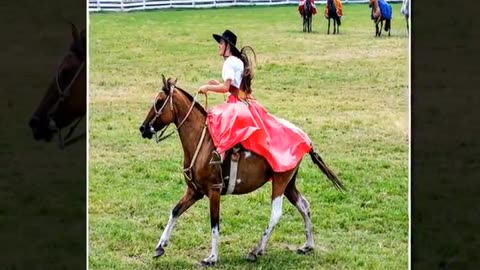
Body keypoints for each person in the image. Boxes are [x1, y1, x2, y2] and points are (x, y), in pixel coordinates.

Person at [198, 29, 312, 172]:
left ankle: (220, 155)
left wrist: (206, 87)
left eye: (221, 43)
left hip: (237, 104)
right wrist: (217, 85)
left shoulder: (229, 63)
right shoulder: (237, 61)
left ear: (227, 45)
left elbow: (226, 86)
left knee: (216, 117)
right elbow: (232, 87)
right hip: (245, 102)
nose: (218, 46)